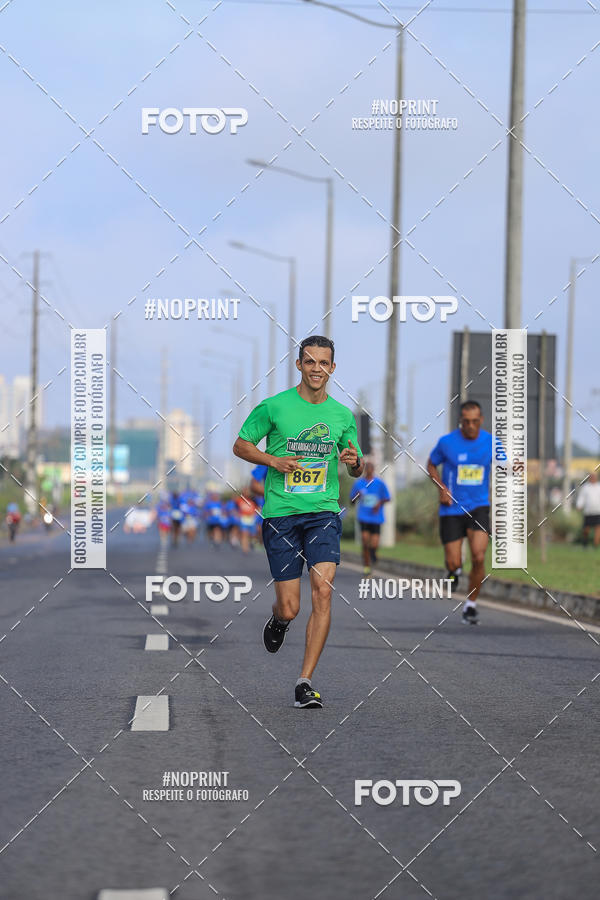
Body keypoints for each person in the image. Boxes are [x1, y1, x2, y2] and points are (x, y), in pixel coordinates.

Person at [233, 335, 364, 709]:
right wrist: (273, 461)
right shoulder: (275, 407)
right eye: (310, 362)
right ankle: (279, 620)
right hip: (282, 515)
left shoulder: (342, 416)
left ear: (332, 368)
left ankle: (305, 681)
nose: (316, 369)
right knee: (290, 606)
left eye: (323, 363)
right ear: (299, 365)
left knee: (323, 590)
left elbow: (356, 465)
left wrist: (355, 462)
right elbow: (241, 445)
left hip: (323, 512)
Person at [426, 401, 493, 625]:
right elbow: (431, 465)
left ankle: (471, 605)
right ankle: (454, 570)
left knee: (479, 556)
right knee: (453, 561)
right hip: (451, 508)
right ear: (460, 421)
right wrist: (441, 488)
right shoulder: (447, 443)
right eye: (466, 422)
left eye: (475, 421)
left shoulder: (492, 442)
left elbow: (507, 466)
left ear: (481, 420)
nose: (471, 426)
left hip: (479, 506)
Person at [350, 461, 391, 575]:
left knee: (374, 544)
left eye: (370, 468)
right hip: (363, 517)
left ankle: (373, 553)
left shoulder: (379, 483)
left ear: (373, 470)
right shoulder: (358, 483)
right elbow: (351, 501)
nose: (368, 470)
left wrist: (379, 503)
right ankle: (367, 567)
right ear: (364, 470)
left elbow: (388, 497)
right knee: (365, 541)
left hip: (376, 517)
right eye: (366, 468)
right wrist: (357, 496)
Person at [577, 470, 600, 548]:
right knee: (586, 529)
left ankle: (596, 544)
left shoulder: (599, 487)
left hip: (598, 511)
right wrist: (579, 505)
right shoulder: (585, 487)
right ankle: (585, 542)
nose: (593, 478)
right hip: (588, 512)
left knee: (598, 528)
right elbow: (581, 498)